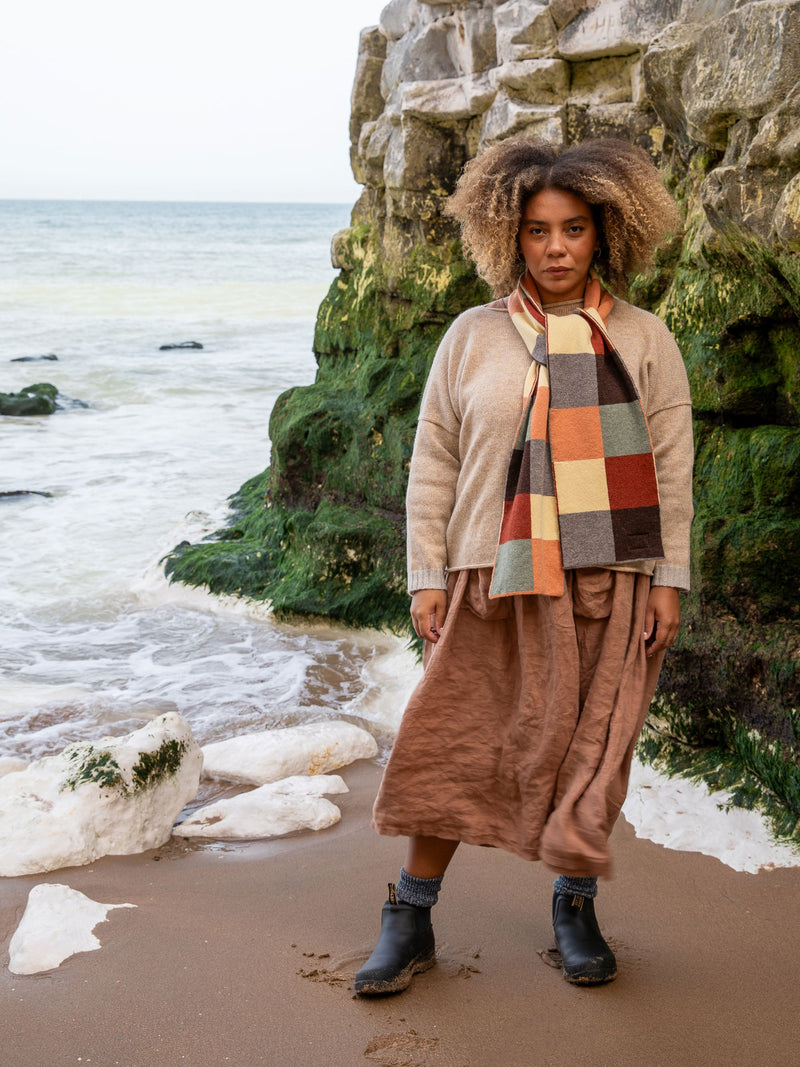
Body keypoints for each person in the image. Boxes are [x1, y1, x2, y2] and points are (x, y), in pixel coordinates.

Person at [355, 137, 693, 994]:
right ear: (510, 234)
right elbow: (432, 457)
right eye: (538, 230)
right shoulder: (472, 336)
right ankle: (410, 914)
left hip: (610, 576)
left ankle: (573, 906)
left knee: (593, 752)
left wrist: (669, 580)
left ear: (604, 232)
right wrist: (424, 574)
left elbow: (674, 467)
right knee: (454, 743)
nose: (555, 248)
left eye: (573, 229)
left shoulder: (646, 340)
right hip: (490, 573)